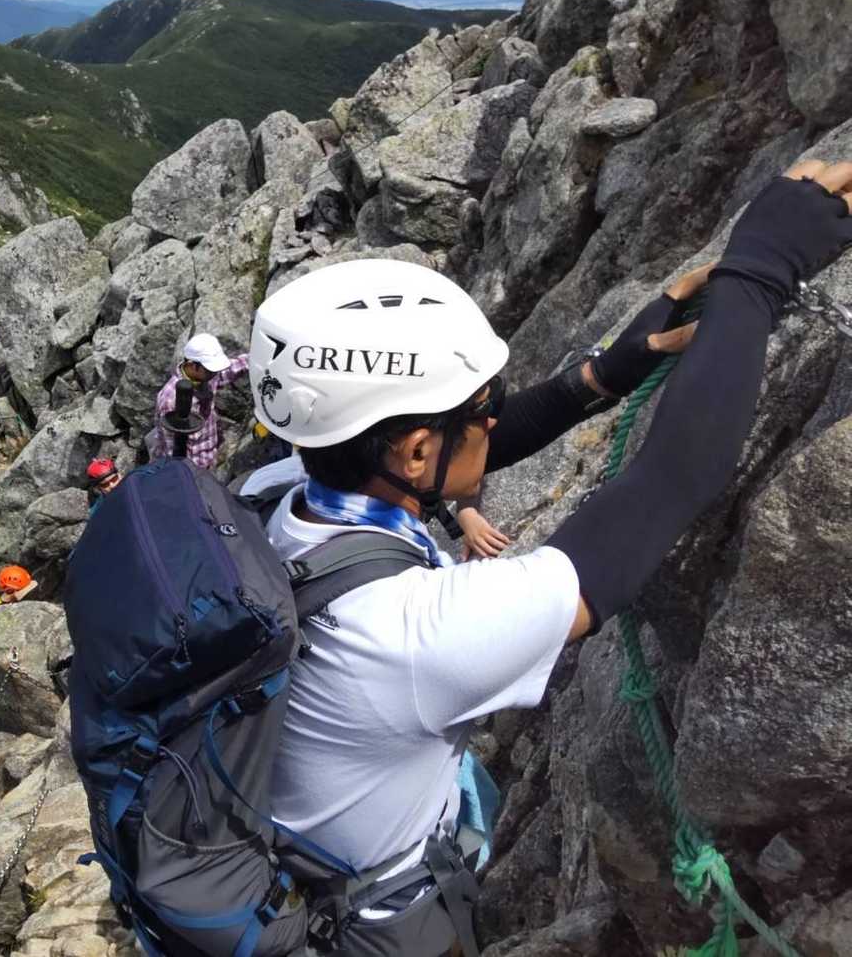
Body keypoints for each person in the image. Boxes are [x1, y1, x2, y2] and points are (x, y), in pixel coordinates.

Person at [238, 163, 852, 955]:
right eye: (482, 407)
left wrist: (603, 374)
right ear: (414, 450)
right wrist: (759, 269)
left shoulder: (270, 496)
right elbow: (669, 481)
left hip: (279, 857)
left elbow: (454, 459)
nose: (495, 419)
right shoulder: (414, 636)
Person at [150, 333, 250, 468]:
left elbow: (231, 369)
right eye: (210, 370)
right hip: (190, 467)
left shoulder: (207, 376)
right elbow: (173, 449)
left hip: (208, 455)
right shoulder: (170, 399)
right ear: (192, 365)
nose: (214, 374)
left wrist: (256, 359)